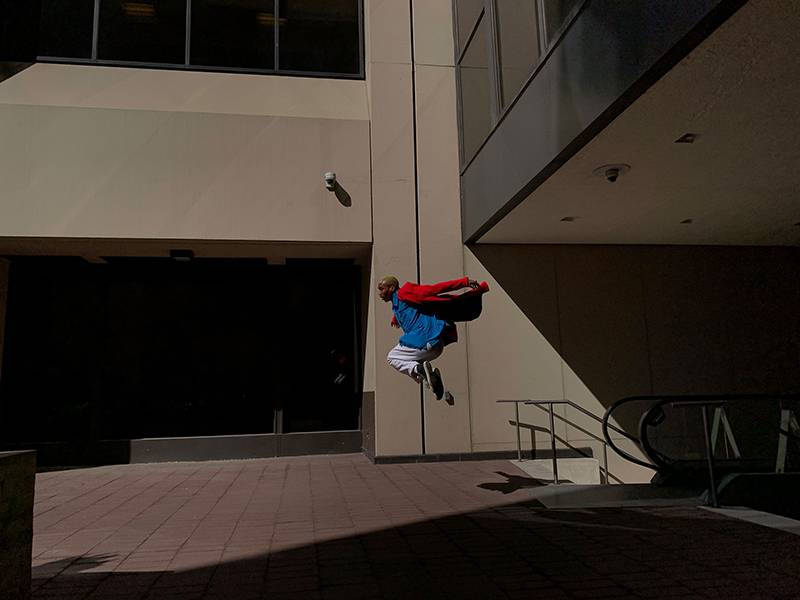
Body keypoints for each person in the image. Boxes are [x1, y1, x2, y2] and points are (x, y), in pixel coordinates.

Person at [378, 275, 489, 400]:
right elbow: (409, 308)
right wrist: (396, 318)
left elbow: (434, 289)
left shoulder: (405, 292)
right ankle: (430, 376)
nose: (379, 293)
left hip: (425, 340)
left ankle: (420, 370)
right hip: (435, 347)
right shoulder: (398, 304)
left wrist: (464, 282)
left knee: (392, 357)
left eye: (382, 289)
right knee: (409, 361)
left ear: (392, 288)